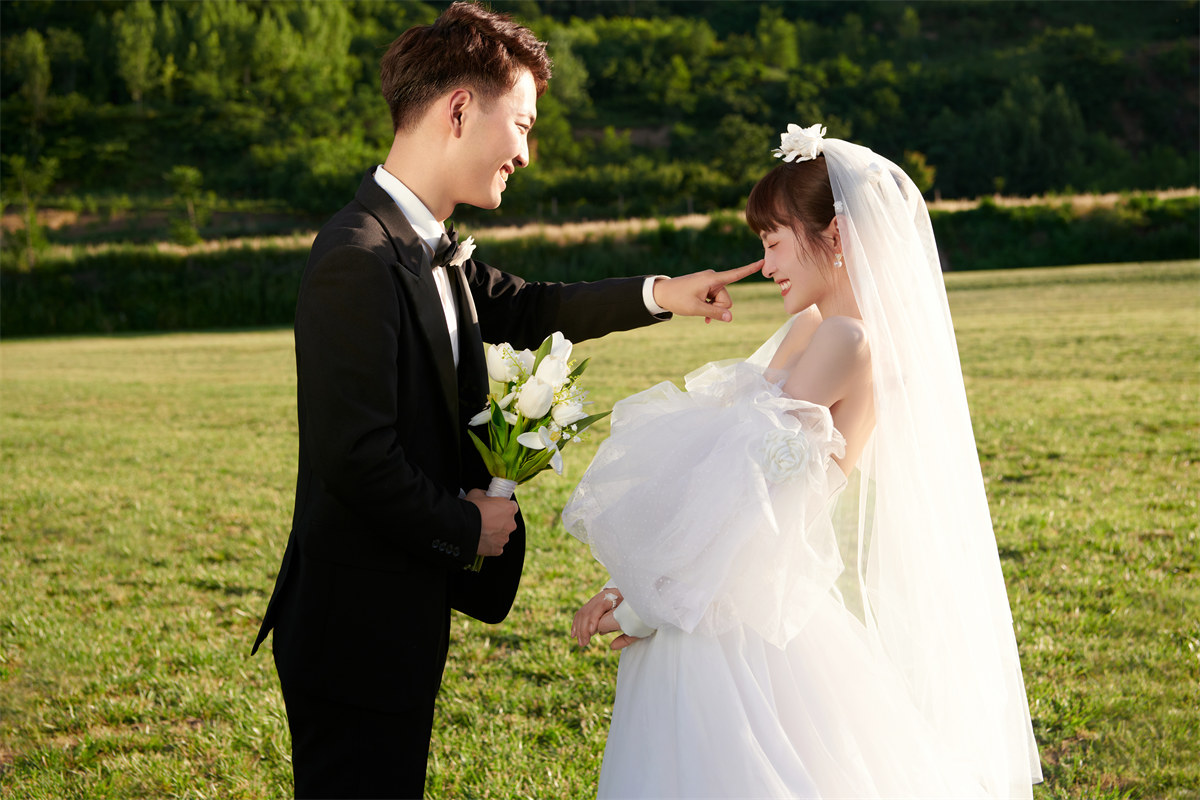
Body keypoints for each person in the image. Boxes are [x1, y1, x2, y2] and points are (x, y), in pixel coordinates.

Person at [249, 4, 760, 798]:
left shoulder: (429, 246)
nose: (525, 151)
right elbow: (354, 457)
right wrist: (468, 527)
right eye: (520, 125)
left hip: (396, 613)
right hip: (352, 625)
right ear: (459, 110)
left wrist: (665, 294)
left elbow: (530, 308)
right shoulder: (358, 257)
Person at [565, 124, 1043, 798]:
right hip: (715, 592)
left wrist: (648, 605)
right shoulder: (812, 330)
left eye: (773, 241)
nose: (765, 265)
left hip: (738, 615)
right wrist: (636, 586)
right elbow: (720, 475)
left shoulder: (849, 341)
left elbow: (754, 499)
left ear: (836, 236)